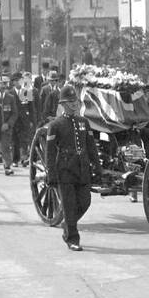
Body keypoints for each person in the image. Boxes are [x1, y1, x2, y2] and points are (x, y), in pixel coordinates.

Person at [46, 84, 96, 250]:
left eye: (75, 101)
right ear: (63, 105)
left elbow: (91, 147)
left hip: (82, 168)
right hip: (65, 169)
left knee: (85, 201)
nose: (74, 104)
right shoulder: (56, 125)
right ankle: (72, 239)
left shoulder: (84, 122)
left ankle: (68, 225)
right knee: (68, 204)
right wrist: (51, 175)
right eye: (70, 102)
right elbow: (50, 152)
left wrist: (97, 167)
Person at [0, 74, 20, 175]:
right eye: (1, 84)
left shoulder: (10, 97)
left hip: (6, 127)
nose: (3, 86)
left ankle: (7, 166)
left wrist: (8, 124)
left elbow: (14, 113)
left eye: (5, 84)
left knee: (6, 146)